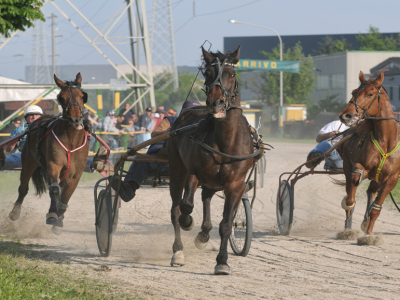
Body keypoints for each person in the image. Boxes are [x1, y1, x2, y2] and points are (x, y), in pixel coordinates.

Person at [111, 98, 201, 202]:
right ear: (183, 112)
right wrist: (167, 132)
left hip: (189, 164)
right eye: (190, 112)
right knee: (140, 160)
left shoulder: (200, 125)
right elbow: (154, 134)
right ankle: (129, 189)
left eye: (196, 112)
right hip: (162, 159)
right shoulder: (170, 120)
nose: (193, 115)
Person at [0, 105, 107, 173]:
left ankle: (93, 164)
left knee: (69, 160)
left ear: (41, 116)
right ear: (26, 118)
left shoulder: (49, 127)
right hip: (27, 154)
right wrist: (14, 141)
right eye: (30, 115)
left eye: (36, 115)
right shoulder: (20, 129)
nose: (33, 117)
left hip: (49, 154)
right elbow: (9, 149)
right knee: (13, 159)